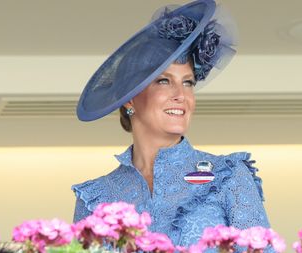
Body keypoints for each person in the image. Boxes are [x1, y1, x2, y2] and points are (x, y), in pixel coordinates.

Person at [72, 0, 271, 250]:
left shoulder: (228, 175)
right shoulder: (95, 197)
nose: (181, 95)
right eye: (164, 81)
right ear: (129, 99)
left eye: (188, 82)